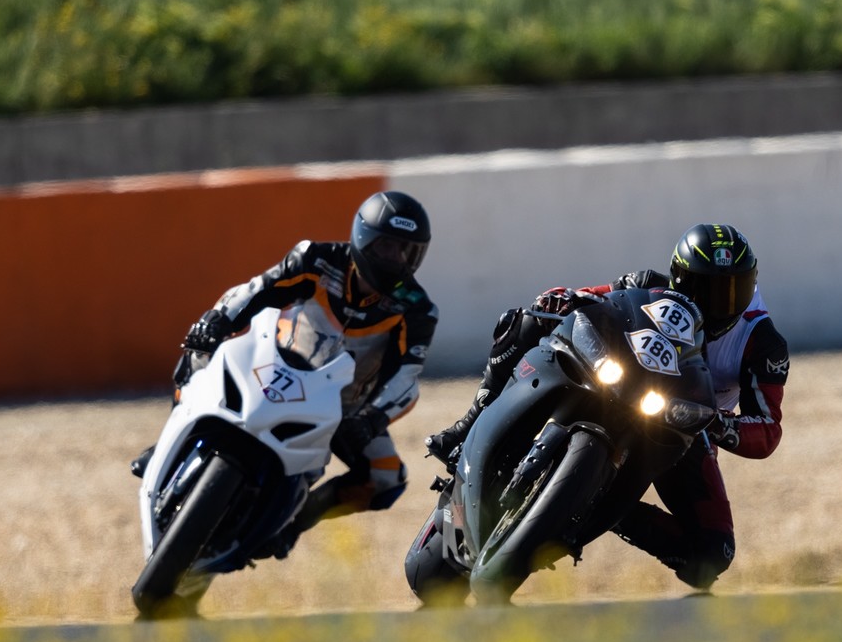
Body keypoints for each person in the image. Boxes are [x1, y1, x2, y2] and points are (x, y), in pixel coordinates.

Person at [424, 223, 788, 590]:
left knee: (712, 553)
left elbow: (768, 429)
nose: (717, 305)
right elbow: (591, 298)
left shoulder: (762, 341)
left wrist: (718, 424)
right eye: (703, 289)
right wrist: (563, 299)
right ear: (678, 278)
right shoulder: (648, 284)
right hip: (609, 378)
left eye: (731, 292)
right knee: (525, 321)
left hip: (683, 424)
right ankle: (468, 425)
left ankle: (599, 506)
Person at [132, 190, 439, 558]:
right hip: (274, 367)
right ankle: (166, 443)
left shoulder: (419, 309)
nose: (395, 259)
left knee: (385, 478)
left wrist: (372, 418)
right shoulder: (317, 258)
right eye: (386, 247)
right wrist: (215, 321)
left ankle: (294, 522)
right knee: (200, 353)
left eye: (407, 251)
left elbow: (407, 376)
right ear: (362, 239)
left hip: (342, 408)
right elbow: (258, 289)